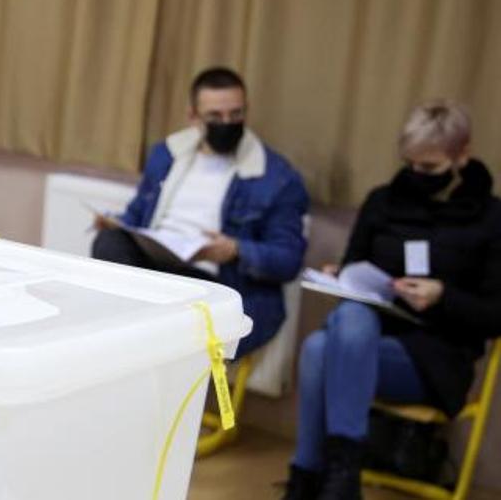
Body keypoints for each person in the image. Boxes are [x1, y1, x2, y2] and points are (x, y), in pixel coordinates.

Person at [282, 101, 501, 500]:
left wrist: (443, 296)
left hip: (435, 356)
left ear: (462, 155)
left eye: (430, 168)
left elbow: (494, 314)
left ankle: (314, 477)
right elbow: (354, 268)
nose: (417, 175)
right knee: (343, 323)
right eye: (411, 164)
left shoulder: (490, 218)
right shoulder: (383, 200)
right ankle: (337, 479)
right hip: (364, 336)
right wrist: (340, 275)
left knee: (320, 348)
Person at [92, 67, 309, 357]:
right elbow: (138, 215)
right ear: (193, 116)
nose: (227, 123)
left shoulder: (276, 177)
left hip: (216, 286)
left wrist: (235, 250)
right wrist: (116, 222)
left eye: (236, 115)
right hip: (157, 274)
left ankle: (131, 354)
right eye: (215, 117)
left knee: (149, 324)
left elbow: (288, 259)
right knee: (109, 244)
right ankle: (130, 350)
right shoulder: (167, 155)